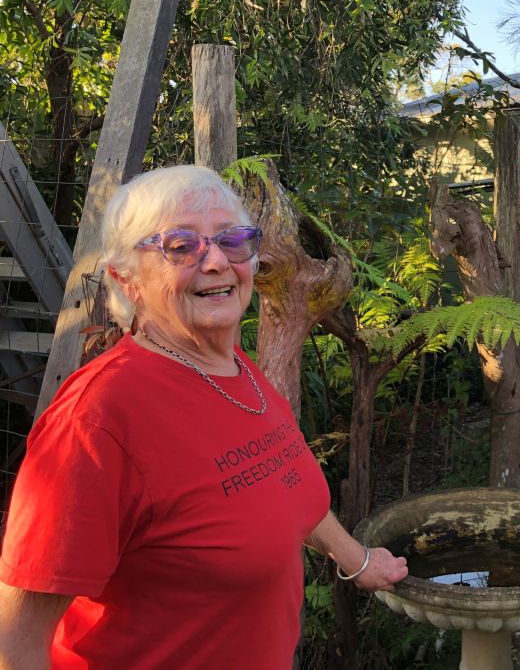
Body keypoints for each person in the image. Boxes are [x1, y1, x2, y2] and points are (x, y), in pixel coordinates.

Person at [0, 165, 408, 668]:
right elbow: (17, 635)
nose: (215, 261)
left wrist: (358, 561)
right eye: (180, 246)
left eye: (232, 240)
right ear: (125, 280)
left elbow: (280, 482)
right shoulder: (96, 421)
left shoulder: (234, 370)